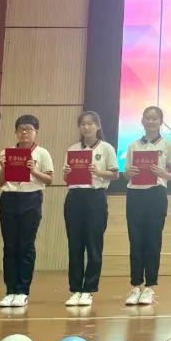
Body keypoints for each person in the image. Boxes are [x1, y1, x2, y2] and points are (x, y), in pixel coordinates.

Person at [0, 114, 54, 308]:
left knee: (26, 245)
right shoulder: (6, 153)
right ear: (15, 132)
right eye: (21, 129)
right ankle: (10, 290)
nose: (25, 132)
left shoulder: (42, 153)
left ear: (36, 132)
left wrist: (33, 171)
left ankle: (22, 291)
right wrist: (4, 167)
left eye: (29, 129)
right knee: (10, 245)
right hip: (9, 198)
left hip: (31, 198)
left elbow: (49, 180)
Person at [62, 110, 119, 307]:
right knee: (74, 245)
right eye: (83, 124)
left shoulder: (106, 148)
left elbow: (115, 174)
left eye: (90, 123)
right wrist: (67, 173)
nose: (86, 127)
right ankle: (75, 289)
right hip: (74, 198)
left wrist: (98, 171)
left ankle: (89, 290)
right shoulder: (73, 149)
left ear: (98, 126)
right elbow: (66, 179)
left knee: (94, 245)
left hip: (96, 197)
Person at [122, 106, 171, 306]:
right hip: (135, 194)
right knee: (135, 240)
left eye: (155, 118)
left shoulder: (167, 145)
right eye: (147, 118)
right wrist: (129, 173)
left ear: (160, 121)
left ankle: (150, 287)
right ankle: (136, 285)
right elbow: (126, 173)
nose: (151, 121)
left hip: (156, 194)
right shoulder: (133, 145)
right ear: (142, 121)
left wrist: (163, 174)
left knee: (153, 240)